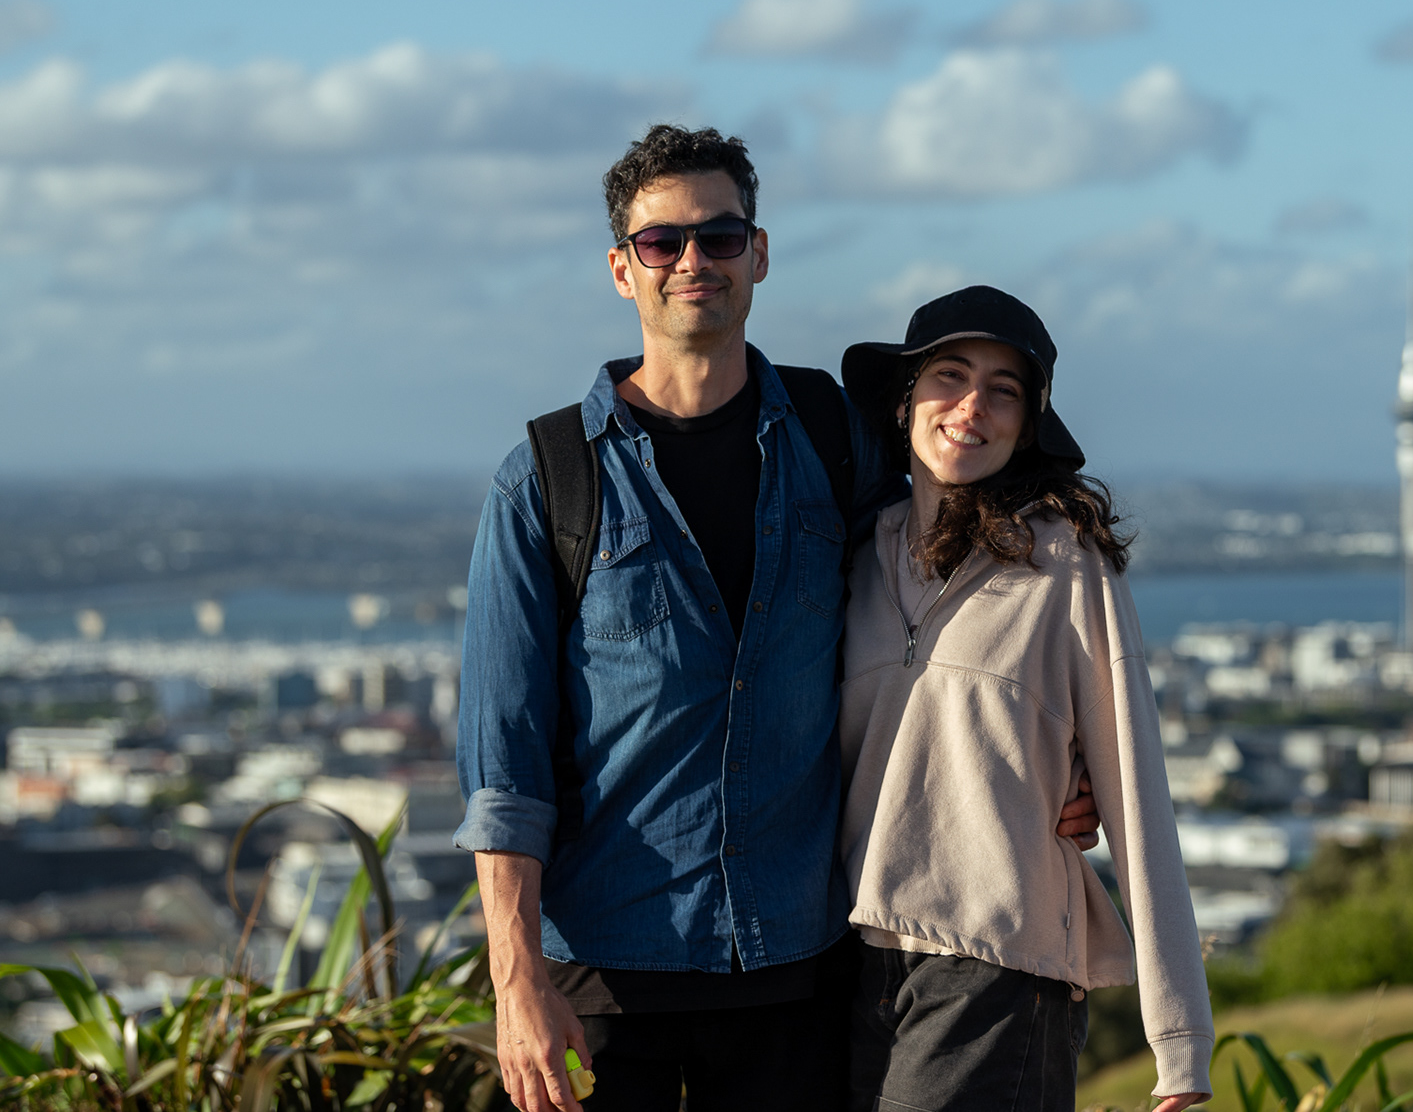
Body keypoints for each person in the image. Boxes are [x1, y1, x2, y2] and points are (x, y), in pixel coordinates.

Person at [453, 127, 1100, 1112]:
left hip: (796, 975)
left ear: (758, 253)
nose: (694, 261)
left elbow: (952, 579)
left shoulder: (832, 435)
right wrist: (515, 987)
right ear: (623, 269)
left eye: (719, 236)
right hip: (605, 979)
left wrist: (1063, 750)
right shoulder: (547, 480)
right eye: (662, 242)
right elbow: (504, 771)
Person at [837, 286, 1213, 1112]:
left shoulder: (1065, 565)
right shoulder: (853, 559)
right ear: (904, 400)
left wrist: (1179, 1036)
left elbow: (1136, 788)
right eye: (949, 374)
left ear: (1027, 423)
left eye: (1003, 390)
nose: (972, 406)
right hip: (853, 963)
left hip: (998, 968)